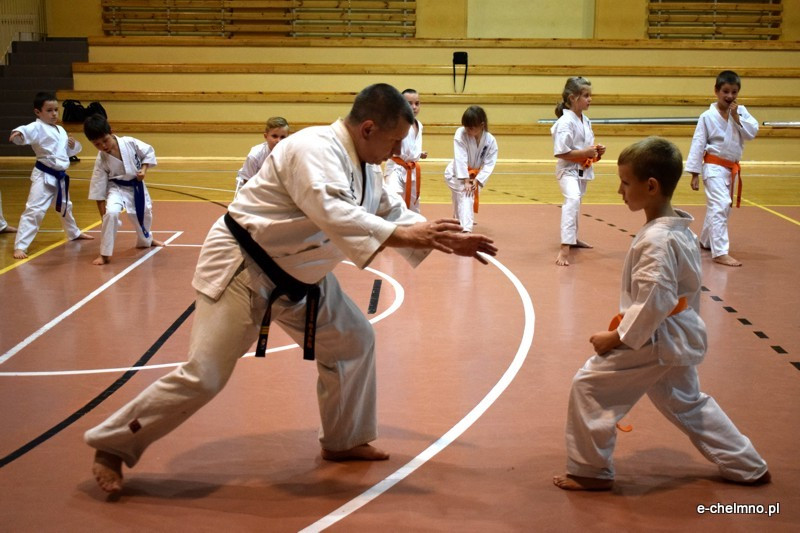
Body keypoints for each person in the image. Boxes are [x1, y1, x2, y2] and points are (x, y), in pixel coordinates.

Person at [85, 83, 498, 494]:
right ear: (368, 129)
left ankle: (344, 439)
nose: (396, 152)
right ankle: (113, 444)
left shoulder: (367, 167)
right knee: (205, 375)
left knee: (353, 339)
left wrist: (443, 236)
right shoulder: (314, 148)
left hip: (302, 276)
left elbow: (389, 210)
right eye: (394, 142)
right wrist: (413, 237)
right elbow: (332, 212)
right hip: (245, 266)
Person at [553, 137, 769, 491]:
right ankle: (747, 463)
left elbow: (656, 299)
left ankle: (589, 471)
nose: (620, 190)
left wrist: (616, 337)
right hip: (674, 334)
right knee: (687, 403)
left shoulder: (659, 240)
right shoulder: (675, 229)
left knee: (589, 387)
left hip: (656, 337)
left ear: (650, 186)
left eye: (625, 182)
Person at [9, 91, 93, 259]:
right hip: (44, 176)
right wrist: (18, 134)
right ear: (37, 112)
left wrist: (72, 144)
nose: (54, 113)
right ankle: (20, 246)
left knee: (65, 206)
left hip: (59, 176)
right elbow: (25, 131)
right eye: (49, 110)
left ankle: (73, 233)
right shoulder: (37, 127)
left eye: (56, 110)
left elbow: (65, 153)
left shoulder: (60, 130)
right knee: (35, 210)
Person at [686, 70, 757, 267]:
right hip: (713, 166)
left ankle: (707, 241)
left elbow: (752, 132)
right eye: (726, 91)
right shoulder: (707, 116)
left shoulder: (741, 112)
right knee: (721, 204)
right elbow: (698, 143)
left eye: (734, 92)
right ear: (717, 91)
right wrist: (694, 173)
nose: (730, 96)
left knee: (720, 207)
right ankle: (720, 252)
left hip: (730, 169)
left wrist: (737, 117)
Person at [83, 114, 164, 265]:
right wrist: (104, 217)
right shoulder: (101, 159)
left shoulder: (130, 142)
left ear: (111, 132)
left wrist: (144, 170)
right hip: (116, 188)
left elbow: (148, 152)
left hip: (136, 185)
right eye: (97, 144)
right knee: (112, 213)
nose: (103, 147)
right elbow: (98, 189)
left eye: (105, 141)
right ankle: (105, 253)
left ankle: (147, 240)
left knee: (145, 214)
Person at [552, 76, 606, 266]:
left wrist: (596, 151)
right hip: (567, 170)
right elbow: (561, 152)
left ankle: (573, 239)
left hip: (581, 168)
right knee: (572, 200)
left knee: (577, 203)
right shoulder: (565, 123)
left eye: (590, 95)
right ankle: (564, 248)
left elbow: (586, 146)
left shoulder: (585, 120)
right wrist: (585, 152)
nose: (590, 99)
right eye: (586, 95)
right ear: (573, 98)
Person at [443, 105, 498, 232]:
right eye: (465, 126)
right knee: (466, 193)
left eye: (471, 127)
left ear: (482, 125)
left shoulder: (490, 141)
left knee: (460, 197)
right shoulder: (460, 133)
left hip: (474, 175)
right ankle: (466, 228)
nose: (467, 129)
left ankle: (458, 220)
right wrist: (466, 180)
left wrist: (477, 180)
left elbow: (490, 164)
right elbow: (460, 157)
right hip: (455, 173)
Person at [384, 88, 427, 213]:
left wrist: (419, 153)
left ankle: (415, 226)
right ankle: (392, 228)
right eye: (409, 103)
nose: (414, 107)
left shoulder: (419, 125)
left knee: (414, 201)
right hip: (395, 167)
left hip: (411, 169)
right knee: (393, 199)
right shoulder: (395, 123)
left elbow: (411, 145)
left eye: (417, 103)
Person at [234, 116, 290, 198]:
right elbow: (247, 181)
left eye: (282, 137)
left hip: (273, 186)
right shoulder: (255, 154)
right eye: (274, 136)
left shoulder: (291, 154)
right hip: (250, 187)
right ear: (266, 136)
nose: (278, 141)